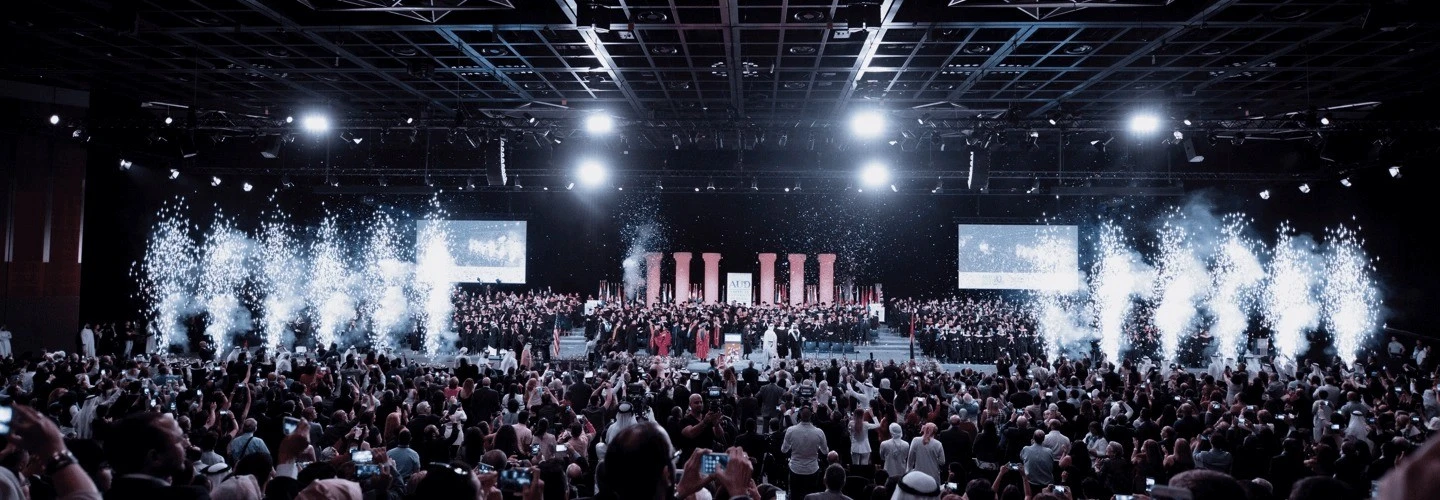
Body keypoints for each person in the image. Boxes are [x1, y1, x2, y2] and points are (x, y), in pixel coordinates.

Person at [784, 407, 830, 499]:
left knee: (795, 495)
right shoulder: (819, 432)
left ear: (799, 416)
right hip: (812, 469)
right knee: (811, 495)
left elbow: (784, 449)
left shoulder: (791, 430)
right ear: (811, 416)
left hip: (795, 468)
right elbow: (825, 451)